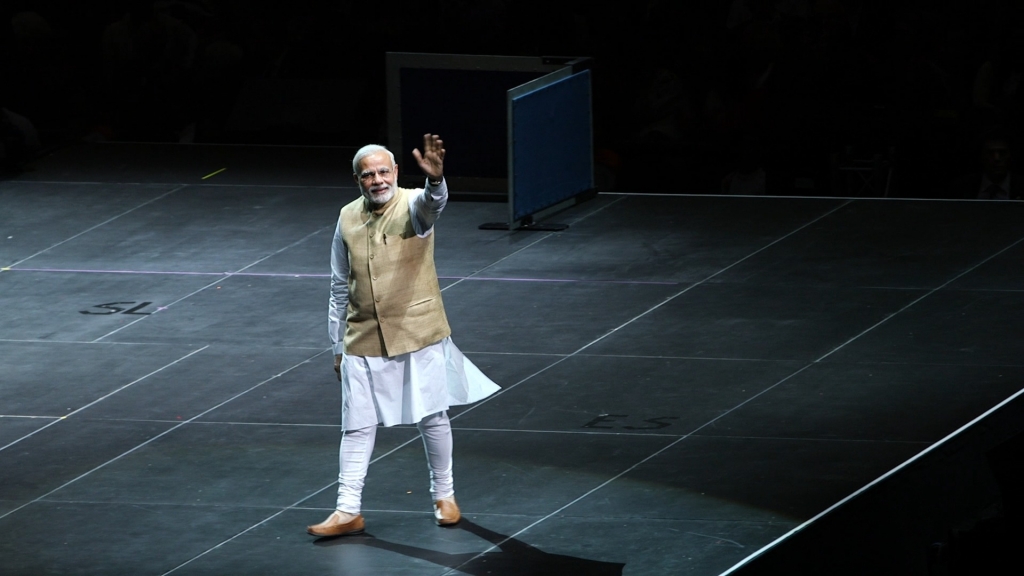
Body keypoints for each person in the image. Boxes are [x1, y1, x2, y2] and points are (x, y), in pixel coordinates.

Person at [307, 134, 500, 538]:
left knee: (431, 415)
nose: (377, 180)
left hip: (417, 330)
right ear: (357, 181)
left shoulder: (414, 204)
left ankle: (444, 495)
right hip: (362, 335)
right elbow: (338, 285)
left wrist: (435, 181)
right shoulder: (346, 218)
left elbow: (433, 206)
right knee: (356, 426)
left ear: (395, 172)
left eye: (383, 172)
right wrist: (336, 344)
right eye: (368, 175)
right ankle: (347, 510)